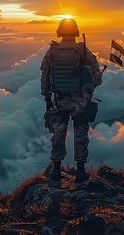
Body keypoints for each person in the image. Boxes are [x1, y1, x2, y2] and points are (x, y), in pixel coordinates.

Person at [40, 18, 102, 182]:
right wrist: (90, 87)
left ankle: (56, 170)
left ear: (59, 32)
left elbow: (44, 75)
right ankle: (80, 171)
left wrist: (47, 97)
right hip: (80, 100)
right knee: (81, 133)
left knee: (58, 133)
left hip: (60, 99)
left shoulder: (52, 52)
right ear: (75, 31)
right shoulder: (82, 50)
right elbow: (96, 76)